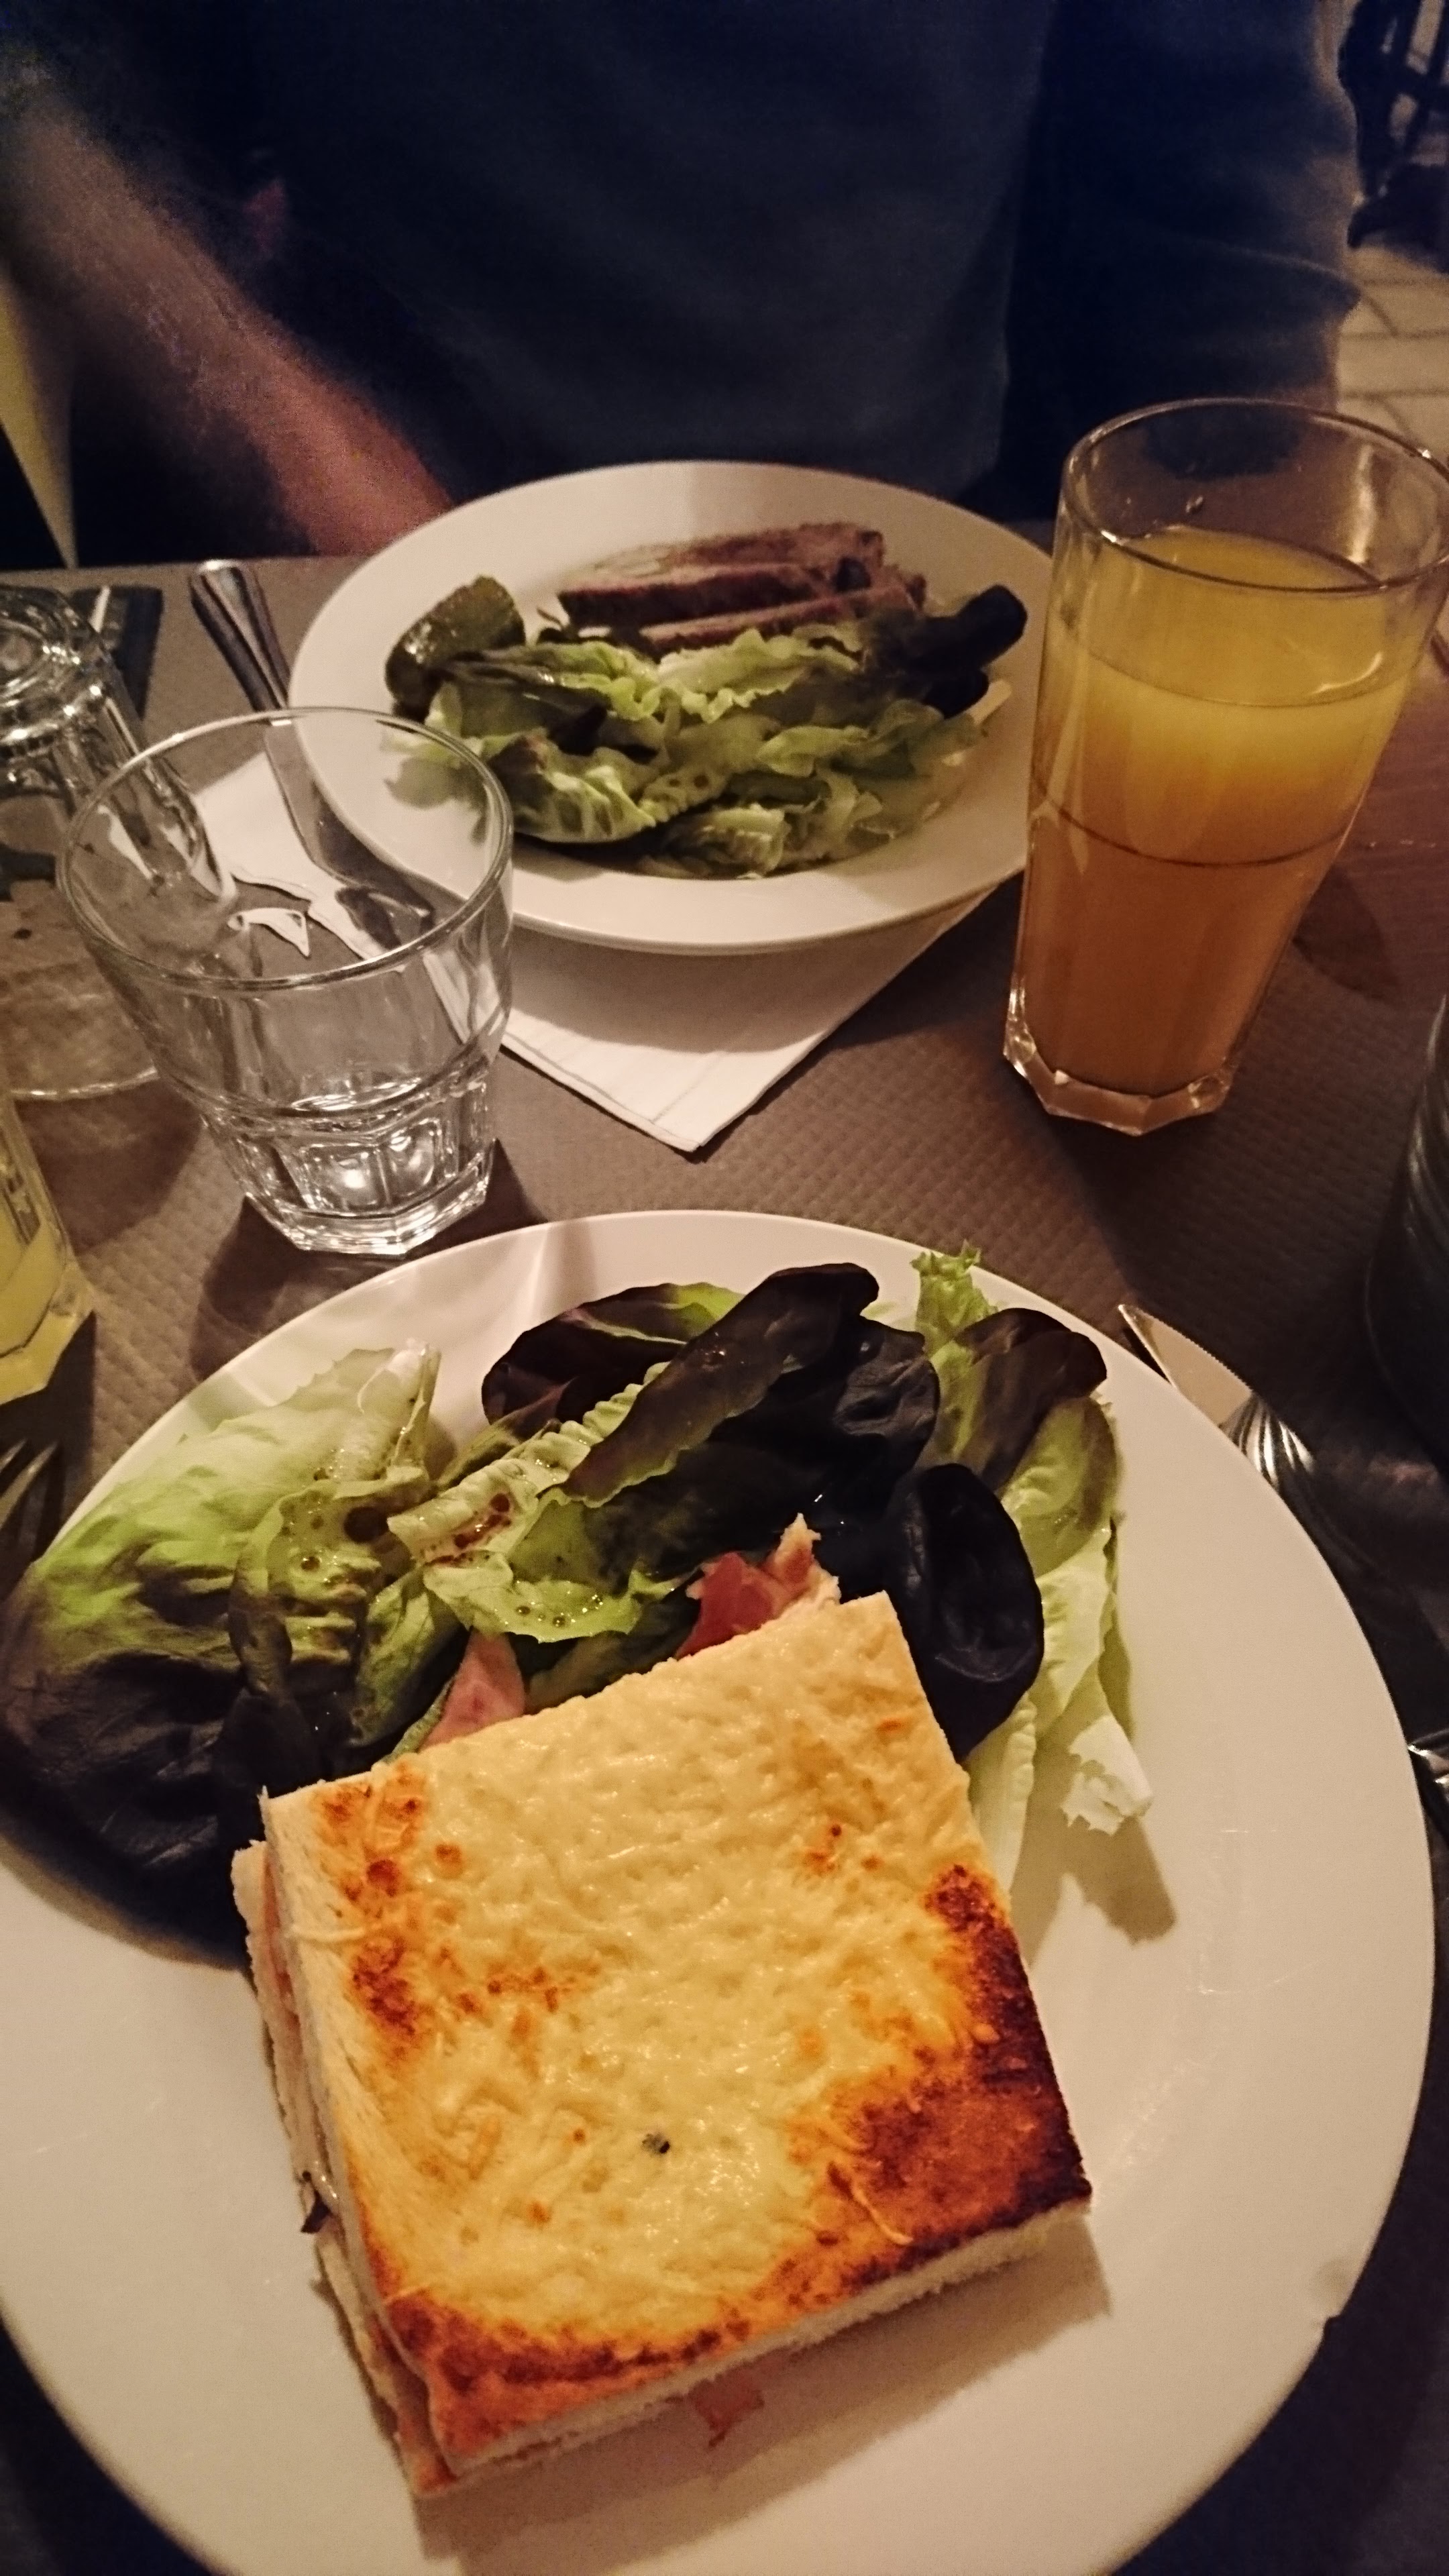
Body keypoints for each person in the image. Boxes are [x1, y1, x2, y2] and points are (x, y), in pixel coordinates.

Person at [0, 1, 1360, 558]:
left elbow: (1225, 143)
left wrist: (1254, 591)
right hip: (347, 535)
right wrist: (265, 426)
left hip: (923, 537)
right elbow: (40, 57)